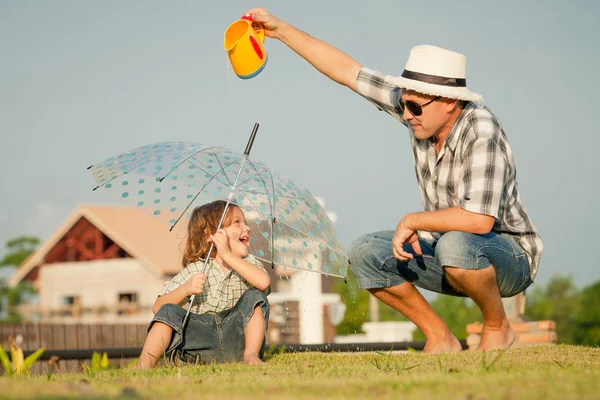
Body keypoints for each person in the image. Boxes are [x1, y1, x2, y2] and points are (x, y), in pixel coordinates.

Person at [245, 8, 543, 352]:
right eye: (403, 105)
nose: (405, 115)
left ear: (449, 102)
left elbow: (478, 220)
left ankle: (497, 327)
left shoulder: (482, 131)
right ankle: (439, 336)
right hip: (449, 250)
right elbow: (346, 71)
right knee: (364, 253)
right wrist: (280, 30)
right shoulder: (419, 108)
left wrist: (414, 219)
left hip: (508, 257)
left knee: (456, 244)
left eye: (414, 108)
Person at [136, 200, 271, 368]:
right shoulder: (197, 269)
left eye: (245, 223)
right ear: (210, 235)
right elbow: (159, 308)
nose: (247, 228)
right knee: (169, 310)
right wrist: (185, 290)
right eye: (237, 223)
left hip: (236, 339)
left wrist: (228, 255)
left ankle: (251, 355)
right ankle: (145, 364)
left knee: (255, 296)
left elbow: (263, 283)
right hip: (200, 343)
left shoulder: (248, 263)